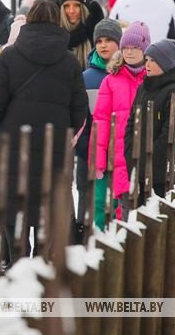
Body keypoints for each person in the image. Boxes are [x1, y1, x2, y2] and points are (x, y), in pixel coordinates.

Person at [0, 0, 88, 263]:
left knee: (14, 200)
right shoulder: (69, 62)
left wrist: (0, 133)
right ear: (58, 21)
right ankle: (43, 263)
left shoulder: (9, 56)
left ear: (28, 20)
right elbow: (80, 108)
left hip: (14, 139)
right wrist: (67, 135)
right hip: (54, 143)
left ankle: (17, 259)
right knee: (48, 201)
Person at [92, 21, 150, 227]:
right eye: (126, 48)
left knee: (147, 212)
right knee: (119, 212)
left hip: (147, 156)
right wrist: (98, 161)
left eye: (135, 48)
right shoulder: (111, 80)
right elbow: (101, 121)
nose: (130, 52)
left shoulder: (152, 79)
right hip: (117, 158)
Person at [124, 39, 175, 199]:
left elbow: (170, 133)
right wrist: (129, 151)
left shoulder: (174, 93)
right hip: (136, 165)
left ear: (165, 63)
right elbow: (131, 121)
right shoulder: (143, 88)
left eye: (153, 60)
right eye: (147, 60)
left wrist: (150, 157)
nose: (147, 64)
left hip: (160, 172)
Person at [78, 18, 123, 234]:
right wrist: (90, 148)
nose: (103, 45)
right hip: (97, 153)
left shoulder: (127, 75)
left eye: (109, 40)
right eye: (99, 41)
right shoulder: (86, 79)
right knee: (97, 203)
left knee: (120, 205)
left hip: (123, 152)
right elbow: (82, 119)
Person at [59, 0, 106, 69]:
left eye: (77, 5)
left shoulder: (98, 34)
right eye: (66, 6)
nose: (71, 11)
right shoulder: (55, 32)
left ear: (85, 7)